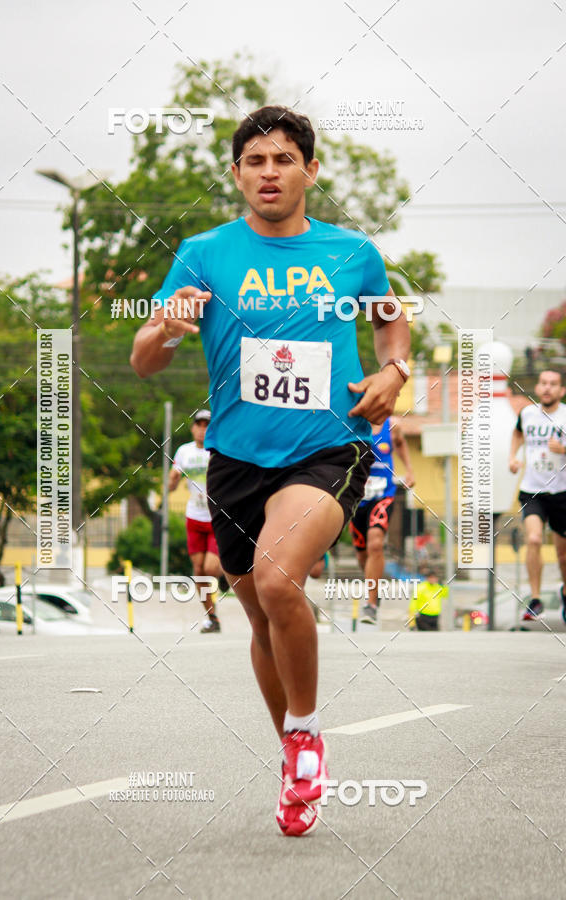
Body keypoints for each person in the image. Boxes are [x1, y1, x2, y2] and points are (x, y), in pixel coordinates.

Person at [130, 105, 410, 836]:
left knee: (281, 579)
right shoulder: (203, 254)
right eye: (255, 161)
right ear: (236, 174)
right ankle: (291, 751)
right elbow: (145, 358)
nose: (269, 172)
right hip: (235, 460)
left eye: (283, 159)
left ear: (309, 171)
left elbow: (390, 318)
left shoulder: (353, 253)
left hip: (329, 448)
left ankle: (307, 731)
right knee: (259, 614)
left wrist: (395, 370)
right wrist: (166, 328)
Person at [509, 369, 566, 623]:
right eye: (543, 383)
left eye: (553, 384)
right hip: (533, 490)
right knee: (533, 539)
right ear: (538, 387)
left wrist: (563, 449)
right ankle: (535, 599)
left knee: (562, 556)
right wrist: (513, 457)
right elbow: (517, 434)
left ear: (561, 390)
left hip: (562, 492)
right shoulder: (527, 414)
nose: (547, 388)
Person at [349, 416, 415, 624]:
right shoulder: (351, 421)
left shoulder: (392, 425)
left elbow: (400, 444)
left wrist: (409, 470)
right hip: (357, 496)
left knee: (376, 544)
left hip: (383, 494)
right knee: (362, 554)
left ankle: (371, 605)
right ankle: (374, 589)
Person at [169, 409, 223, 633]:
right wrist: (172, 480)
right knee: (199, 570)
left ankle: (228, 570)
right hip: (194, 516)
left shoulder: (219, 449)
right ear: (192, 428)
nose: (202, 430)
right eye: (198, 425)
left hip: (216, 517)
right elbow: (172, 481)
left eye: (206, 425)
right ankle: (212, 617)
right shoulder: (184, 451)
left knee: (211, 568)